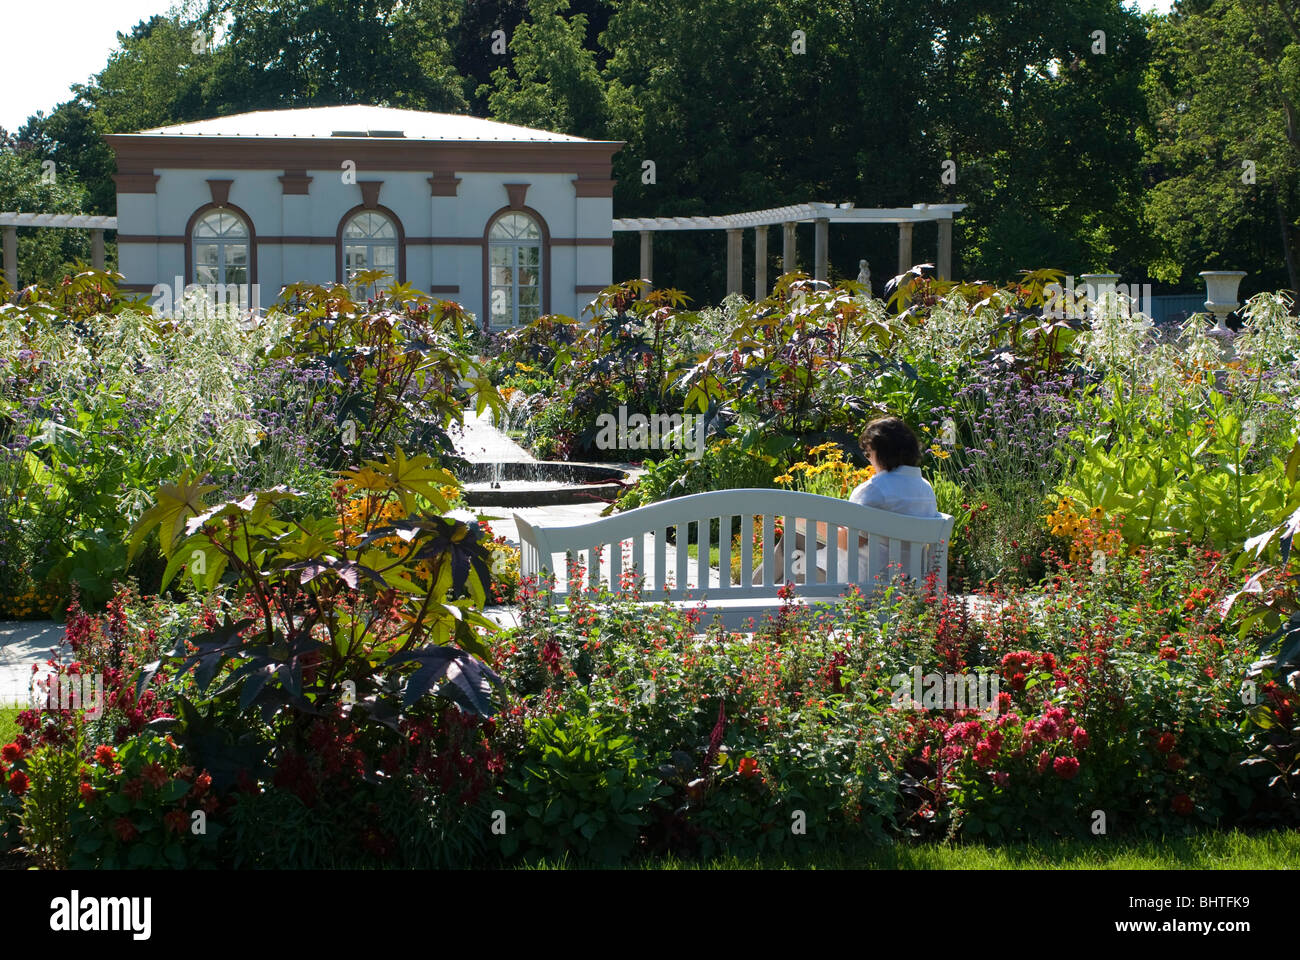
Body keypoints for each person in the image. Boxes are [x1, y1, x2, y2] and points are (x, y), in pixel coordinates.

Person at [848, 416, 939, 584]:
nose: (868, 458)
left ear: (880, 452)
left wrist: (817, 526)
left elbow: (852, 541)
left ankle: (787, 600)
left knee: (799, 538)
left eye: (868, 453)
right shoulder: (926, 489)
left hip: (865, 578)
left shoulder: (873, 489)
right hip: (912, 579)